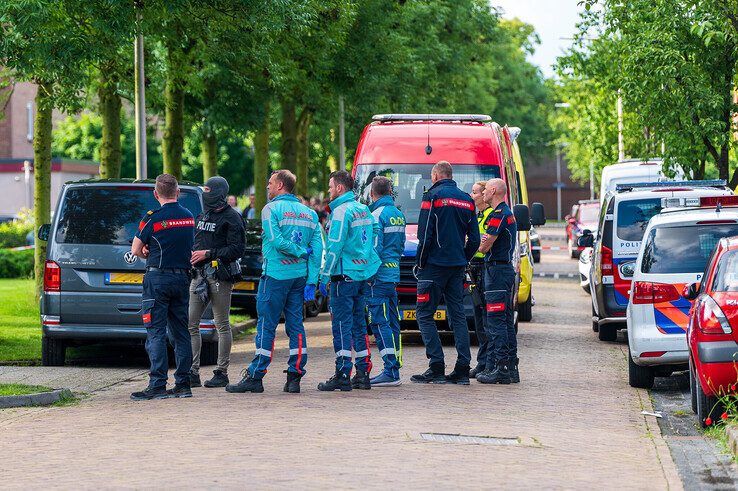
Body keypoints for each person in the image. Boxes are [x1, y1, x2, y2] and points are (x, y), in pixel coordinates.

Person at [226, 170, 323, 394]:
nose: (267, 187)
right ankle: (294, 376)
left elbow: (276, 241)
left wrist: (299, 250)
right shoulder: (310, 214)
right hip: (299, 278)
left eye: (270, 183)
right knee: (296, 325)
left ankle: (256, 375)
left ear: (280, 185)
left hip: (275, 276)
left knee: (266, 325)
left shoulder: (271, 209)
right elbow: (317, 250)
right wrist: (312, 280)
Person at [410, 161, 480, 385]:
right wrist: (463, 258)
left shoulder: (432, 197)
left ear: (436, 175)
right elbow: (476, 240)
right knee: (457, 315)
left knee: (424, 314)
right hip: (457, 266)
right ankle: (462, 369)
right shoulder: (468, 200)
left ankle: (437, 367)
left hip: (433, 266)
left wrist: (420, 263)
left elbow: (425, 234)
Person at [130, 174, 195, 400]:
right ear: (178, 192)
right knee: (181, 332)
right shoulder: (189, 217)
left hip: (157, 280)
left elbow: (136, 249)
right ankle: (183, 383)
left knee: (156, 332)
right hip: (182, 279)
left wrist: (146, 251)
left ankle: (157, 384)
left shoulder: (152, 218)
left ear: (156, 194)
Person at [317, 170, 380, 392]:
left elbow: (334, 247)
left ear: (340, 188)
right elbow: (375, 233)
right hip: (361, 275)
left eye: (330, 187)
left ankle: (343, 373)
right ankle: (363, 373)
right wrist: (368, 261)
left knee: (341, 326)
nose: (329, 191)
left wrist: (324, 275)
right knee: (358, 325)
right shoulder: (363, 209)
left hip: (343, 277)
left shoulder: (342, 212)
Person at [188, 177, 246, 388]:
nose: (205, 194)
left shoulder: (233, 218)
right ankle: (192, 372)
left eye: (208, 190)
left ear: (218, 192)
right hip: (199, 275)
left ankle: (221, 372)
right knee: (191, 323)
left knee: (221, 324)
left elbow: (237, 250)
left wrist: (208, 253)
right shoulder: (204, 214)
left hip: (220, 276)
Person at [476, 178, 518, 385]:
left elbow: (484, 246)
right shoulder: (506, 214)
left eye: (485, 191)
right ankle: (511, 367)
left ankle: (500, 368)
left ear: (493, 191)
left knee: (496, 322)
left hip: (497, 272)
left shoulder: (498, 215)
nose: (483, 193)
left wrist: (479, 242)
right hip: (503, 271)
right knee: (506, 321)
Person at [366, 176, 406, 386]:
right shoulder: (398, 214)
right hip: (393, 275)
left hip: (379, 277)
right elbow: (400, 246)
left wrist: (368, 277)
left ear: (373, 193)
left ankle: (390, 370)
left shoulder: (376, 215)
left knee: (380, 323)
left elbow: (374, 249)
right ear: (390, 192)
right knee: (392, 322)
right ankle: (396, 363)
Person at [469, 181, 493, 379]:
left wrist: (471, 245)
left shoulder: (489, 216)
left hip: (484, 267)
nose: (472, 195)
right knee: (478, 318)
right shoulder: (475, 215)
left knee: (486, 319)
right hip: (474, 268)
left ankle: (488, 362)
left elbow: (483, 244)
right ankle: (482, 361)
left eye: (475, 192)